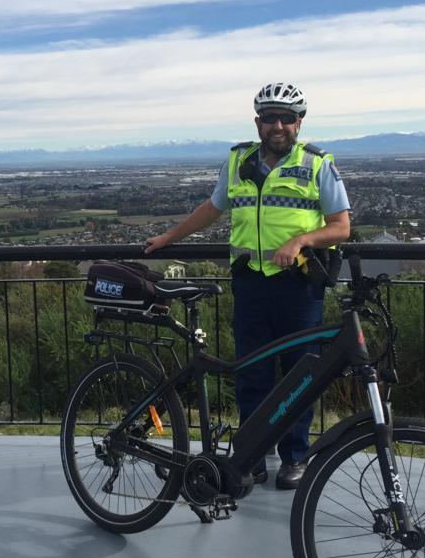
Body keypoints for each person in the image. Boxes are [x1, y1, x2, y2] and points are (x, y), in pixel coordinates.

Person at [144, 81, 351, 489]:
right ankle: (252, 455)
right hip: (250, 284)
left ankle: (295, 457)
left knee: (299, 374)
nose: (278, 125)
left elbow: (341, 226)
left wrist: (300, 240)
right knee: (251, 374)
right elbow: (213, 207)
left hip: (297, 286)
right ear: (257, 122)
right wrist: (169, 238)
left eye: (287, 118)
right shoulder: (238, 160)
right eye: (270, 117)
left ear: (300, 122)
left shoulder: (317, 164)